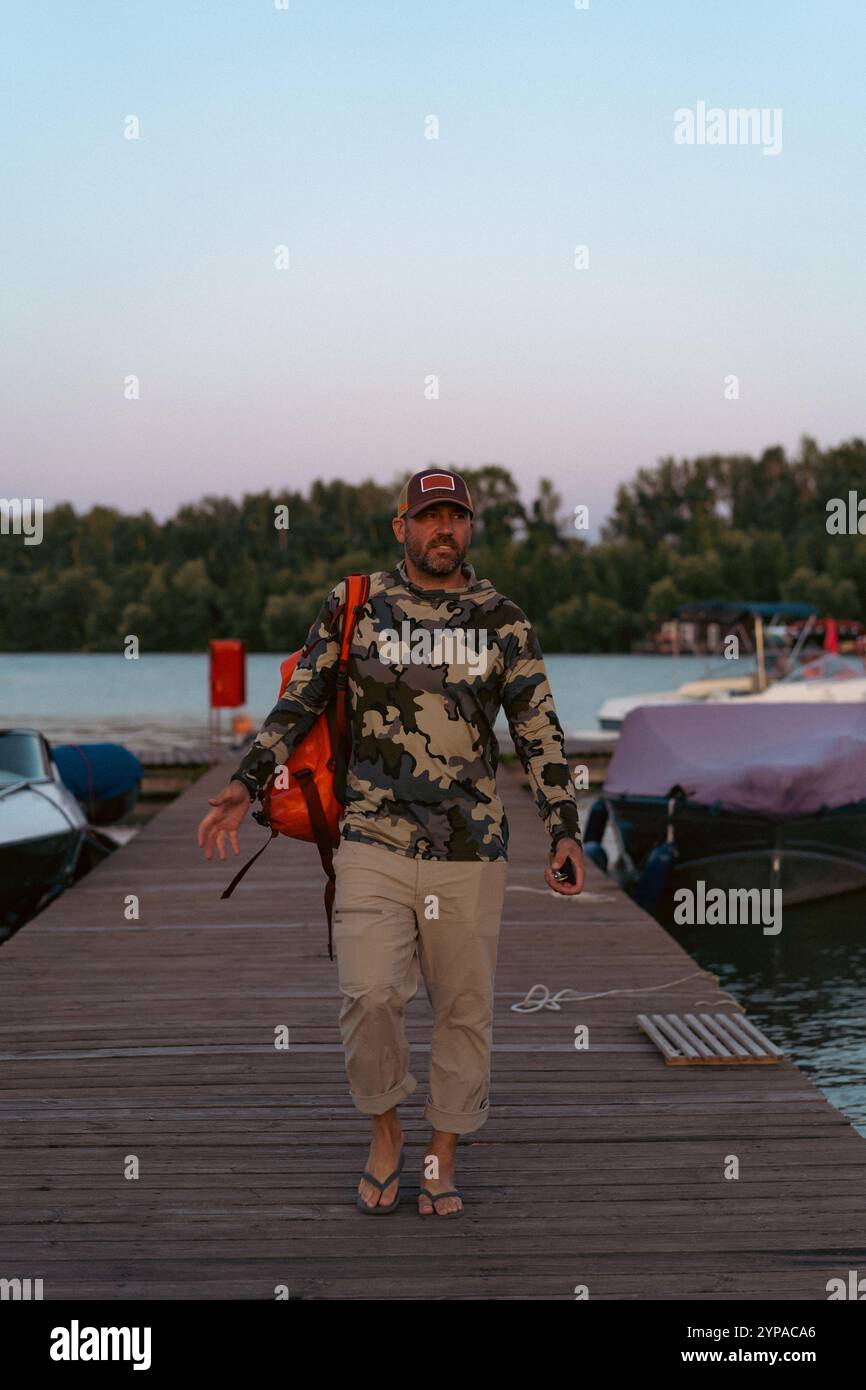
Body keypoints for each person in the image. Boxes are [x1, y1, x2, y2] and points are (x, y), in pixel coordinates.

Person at [197, 468, 584, 1217]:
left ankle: (442, 1152)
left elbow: (539, 731)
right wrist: (248, 781)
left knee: (463, 1009)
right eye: (429, 516)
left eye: (457, 518)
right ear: (401, 525)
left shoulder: (502, 619)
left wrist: (564, 830)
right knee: (369, 995)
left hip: (469, 848)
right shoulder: (356, 605)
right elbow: (300, 698)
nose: (444, 530)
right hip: (372, 836)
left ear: (469, 528)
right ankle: (386, 1132)